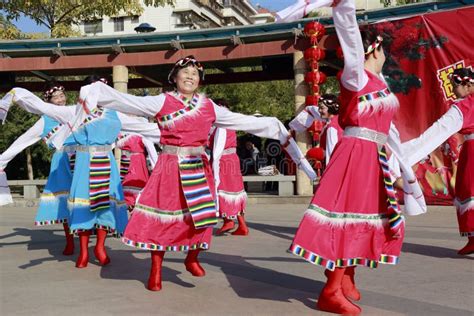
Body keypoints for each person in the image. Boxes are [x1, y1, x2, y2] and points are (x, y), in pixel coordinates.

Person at [76, 55, 316, 291]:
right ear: (175, 77)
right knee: (163, 220)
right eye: (185, 73)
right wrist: (96, 91)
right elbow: (126, 101)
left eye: (195, 74)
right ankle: (156, 270)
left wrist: (274, 126)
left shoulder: (209, 106)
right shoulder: (161, 101)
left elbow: (241, 121)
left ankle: (192, 257)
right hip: (169, 167)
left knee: (202, 218)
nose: (190, 77)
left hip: (198, 167)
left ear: (199, 80)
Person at [277, 1, 426, 314]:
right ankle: (331, 290)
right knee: (348, 218)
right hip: (355, 155)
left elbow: (391, 134)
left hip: (373, 157)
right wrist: (344, 6)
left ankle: (344, 277)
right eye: (384, 50)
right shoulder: (356, 78)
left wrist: (400, 170)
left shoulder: (382, 87)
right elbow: (348, 36)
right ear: (374, 51)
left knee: (362, 219)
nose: (387, 55)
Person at [0, 75, 161, 268]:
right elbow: (38, 115)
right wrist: (17, 94)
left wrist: (181, 134)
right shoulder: (74, 111)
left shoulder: (114, 112)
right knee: (80, 205)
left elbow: (144, 127)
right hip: (80, 162)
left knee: (105, 205)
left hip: (105, 163)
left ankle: (100, 247)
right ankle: (82, 250)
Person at [402, 67, 474, 255]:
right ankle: (473, 239)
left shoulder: (465, 106)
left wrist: (406, 155)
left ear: (466, 85)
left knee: (471, 190)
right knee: (467, 190)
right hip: (469, 149)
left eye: (454, 86)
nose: (453, 90)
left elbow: (437, 132)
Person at [0, 81, 76, 255]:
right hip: (62, 161)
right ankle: (70, 240)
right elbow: (23, 141)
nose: (59, 100)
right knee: (66, 202)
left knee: (86, 200)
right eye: (55, 97)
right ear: (47, 101)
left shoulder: (74, 111)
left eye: (62, 95)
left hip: (82, 157)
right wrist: (3, 160)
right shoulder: (44, 120)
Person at [210, 99, 248, 236]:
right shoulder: (230, 121)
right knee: (235, 192)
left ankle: (228, 220)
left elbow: (218, 146)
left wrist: (214, 163)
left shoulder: (221, 123)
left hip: (223, 160)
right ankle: (242, 225)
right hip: (232, 159)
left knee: (222, 189)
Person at [289, 94, 343, 166]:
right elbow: (312, 110)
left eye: (322, 108)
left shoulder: (332, 128)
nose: (319, 110)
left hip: (336, 165)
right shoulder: (337, 119)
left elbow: (332, 153)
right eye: (319, 108)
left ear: (331, 108)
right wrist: (292, 128)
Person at [116, 132, 158, 210]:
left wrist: (155, 165)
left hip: (136, 160)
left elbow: (150, 149)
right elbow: (151, 149)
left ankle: (132, 201)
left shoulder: (139, 135)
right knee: (133, 178)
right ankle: (131, 201)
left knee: (134, 178)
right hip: (132, 159)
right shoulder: (138, 136)